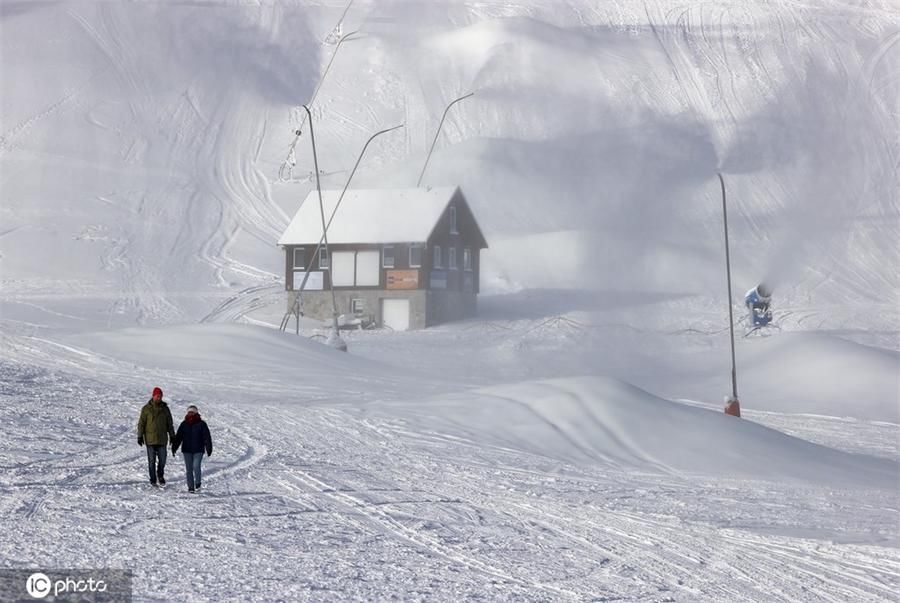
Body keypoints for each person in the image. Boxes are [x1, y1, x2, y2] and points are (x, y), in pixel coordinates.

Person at [137, 387, 176, 487]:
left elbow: (169, 424)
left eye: (160, 396)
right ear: (153, 396)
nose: (159, 398)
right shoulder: (146, 409)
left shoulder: (165, 409)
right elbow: (141, 423)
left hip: (162, 439)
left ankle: (160, 475)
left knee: (163, 459)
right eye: (157, 396)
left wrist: (172, 436)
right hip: (150, 439)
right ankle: (153, 479)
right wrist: (140, 436)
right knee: (151, 461)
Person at [171, 405, 213, 493]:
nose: (191, 414)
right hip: (187, 450)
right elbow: (179, 437)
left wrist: (209, 448)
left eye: (192, 412)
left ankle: (198, 483)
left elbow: (207, 437)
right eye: (189, 412)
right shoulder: (184, 424)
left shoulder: (201, 424)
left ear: (196, 413)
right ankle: (190, 487)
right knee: (189, 469)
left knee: (196, 466)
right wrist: (174, 447)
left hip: (198, 450)